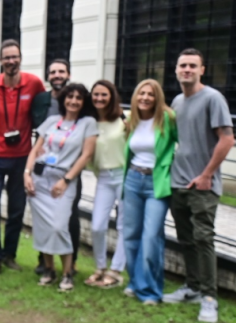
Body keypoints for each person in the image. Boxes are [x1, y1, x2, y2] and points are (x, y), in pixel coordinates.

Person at [162, 49, 235, 323]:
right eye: (183, 65)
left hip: (202, 186)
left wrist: (206, 175)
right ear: (176, 69)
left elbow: (227, 139)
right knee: (187, 239)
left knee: (203, 238)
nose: (187, 69)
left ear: (202, 69)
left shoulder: (213, 98)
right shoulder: (178, 101)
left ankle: (209, 297)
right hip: (178, 183)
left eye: (193, 65)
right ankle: (191, 288)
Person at [24, 83, 98, 291]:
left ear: (83, 102)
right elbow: (35, 150)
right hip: (39, 179)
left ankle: (67, 272)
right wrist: (26, 174)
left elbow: (86, 155)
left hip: (63, 181)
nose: (73, 101)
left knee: (59, 226)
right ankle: (49, 269)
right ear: (63, 99)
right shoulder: (51, 121)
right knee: (43, 227)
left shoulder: (88, 123)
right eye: (70, 97)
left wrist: (66, 180)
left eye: (79, 98)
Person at [0, 40, 46, 275]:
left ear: (20, 58)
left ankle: (10, 255)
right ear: (1, 61)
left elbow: (46, 110)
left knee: (17, 209)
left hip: (22, 157)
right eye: (7, 57)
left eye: (15, 57)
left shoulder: (34, 83)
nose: (11, 61)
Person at [122, 79, 178, 305]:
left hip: (156, 181)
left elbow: (183, 145)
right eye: (141, 93)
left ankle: (151, 291)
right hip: (133, 179)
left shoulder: (168, 119)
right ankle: (135, 282)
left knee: (151, 235)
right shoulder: (131, 121)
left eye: (150, 94)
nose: (145, 98)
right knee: (131, 234)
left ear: (158, 98)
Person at [30, 59, 79, 275]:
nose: (57, 75)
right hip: (43, 167)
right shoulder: (41, 100)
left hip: (67, 170)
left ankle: (71, 263)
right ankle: (45, 261)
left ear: (68, 74)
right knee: (43, 218)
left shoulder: (77, 100)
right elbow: (32, 124)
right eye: (53, 72)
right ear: (48, 76)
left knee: (68, 217)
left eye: (61, 71)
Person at [84, 80, 128, 288]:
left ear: (112, 96)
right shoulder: (89, 122)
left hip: (124, 176)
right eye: (96, 95)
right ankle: (100, 267)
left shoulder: (123, 119)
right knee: (97, 225)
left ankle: (116, 270)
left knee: (123, 226)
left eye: (104, 95)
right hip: (103, 177)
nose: (99, 99)